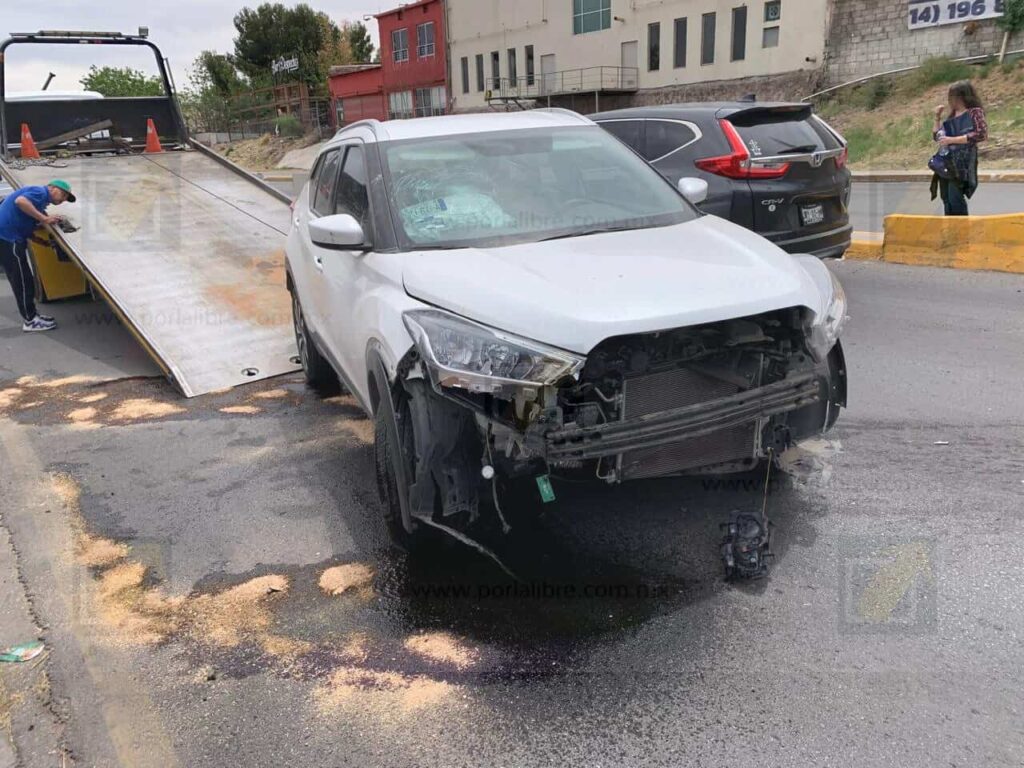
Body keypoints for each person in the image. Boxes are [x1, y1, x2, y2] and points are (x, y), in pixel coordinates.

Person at [0, 180, 76, 332]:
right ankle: (30, 321)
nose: (63, 199)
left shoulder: (39, 202)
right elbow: (20, 201)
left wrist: (41, 241)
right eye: (63, 194)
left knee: (23, 279)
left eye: (66, 198)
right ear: (52, 188)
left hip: (9, 238)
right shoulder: (40, 192)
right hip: (9, 239)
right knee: (23, 281)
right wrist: (44, 219)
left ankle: (32, 316)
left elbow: (23, 222)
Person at [932, 81, 988, 216]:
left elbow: (981, 134)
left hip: (963, 161)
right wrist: (937, 117)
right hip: (948, 160)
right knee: (946, 197)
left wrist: (952, 140)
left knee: (955, 197)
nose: (950, 99)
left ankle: (961, 227)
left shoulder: (974, 112)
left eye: (952, 96)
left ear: (962, 96)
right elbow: (937, 136)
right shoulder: (952, 115)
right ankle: (951, 226)